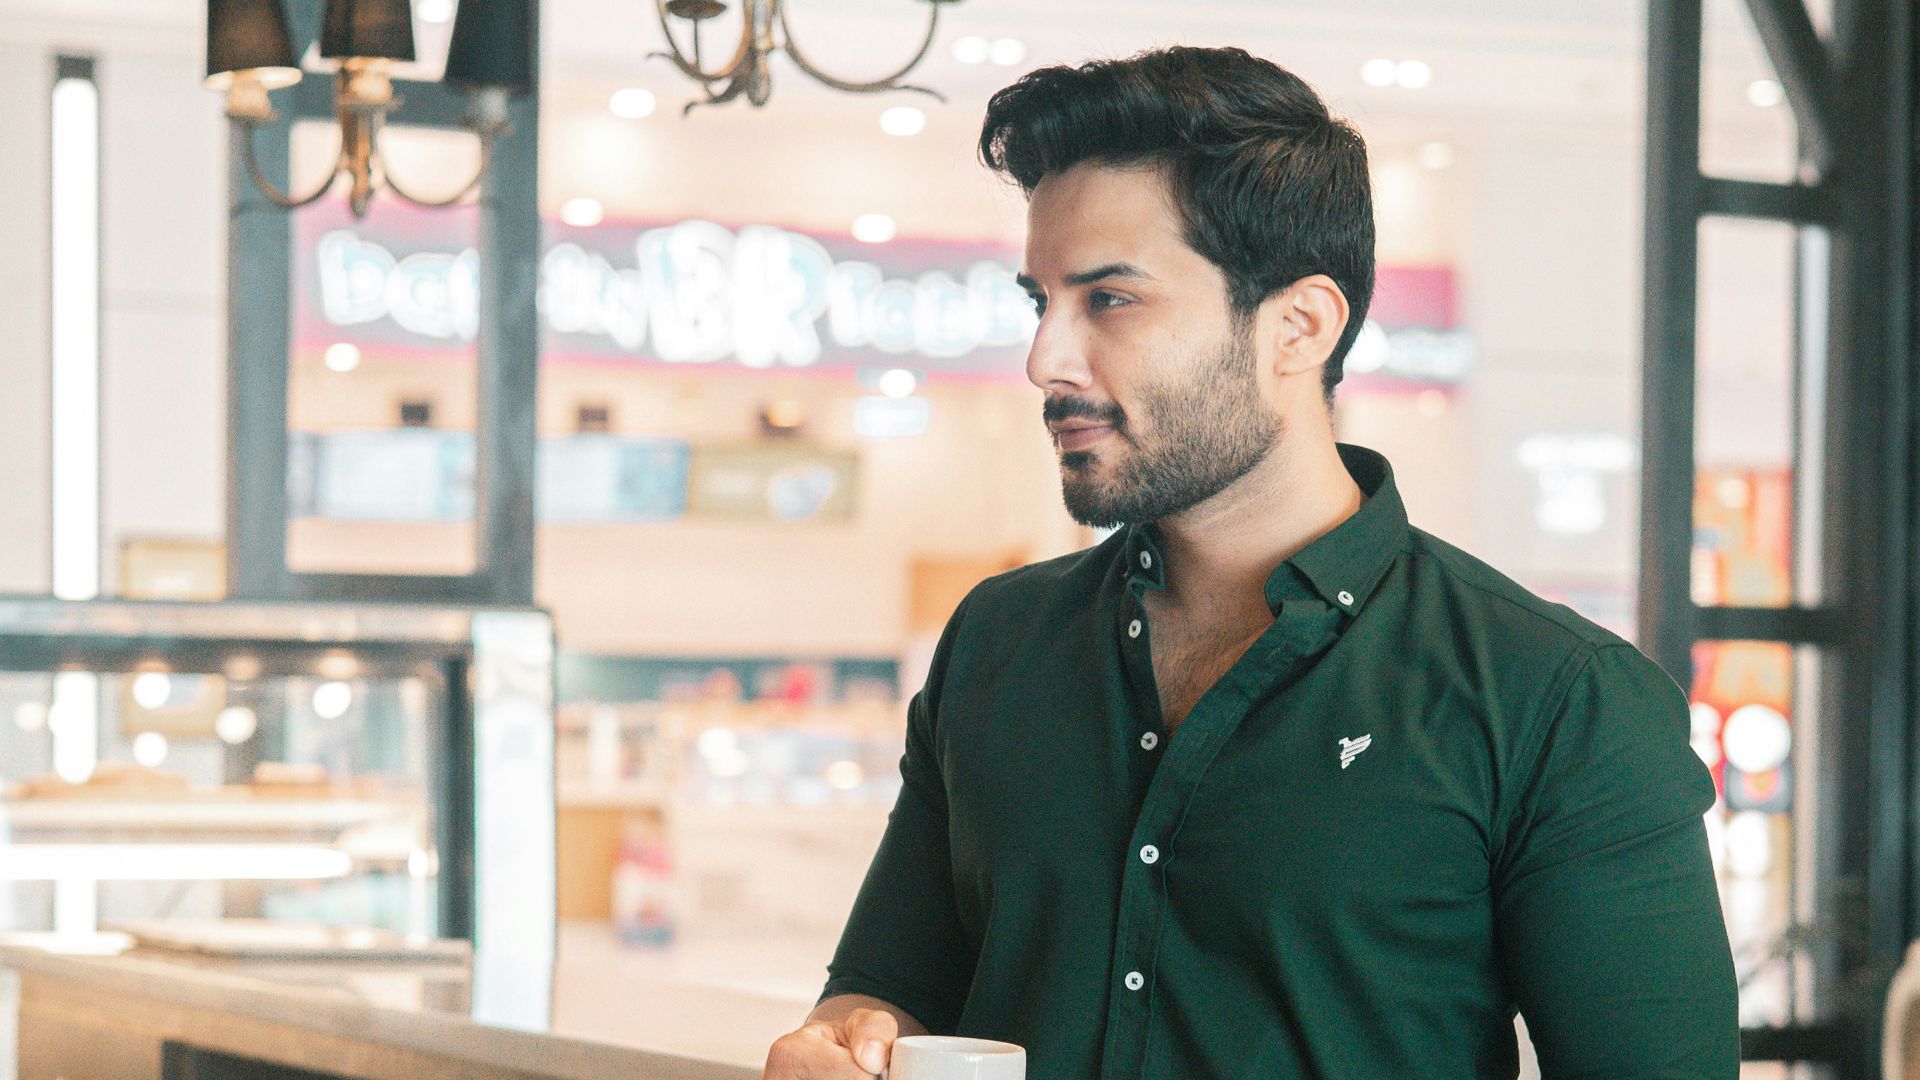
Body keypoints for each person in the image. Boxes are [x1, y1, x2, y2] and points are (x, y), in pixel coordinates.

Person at [764, 45, 1738, 1080]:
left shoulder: (1557, 700)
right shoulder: (998, 640)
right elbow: (890, 990)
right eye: (1038, 302)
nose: (1046, 358)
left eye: (1110, 300)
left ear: (1298, 327)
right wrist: (843, 1041)